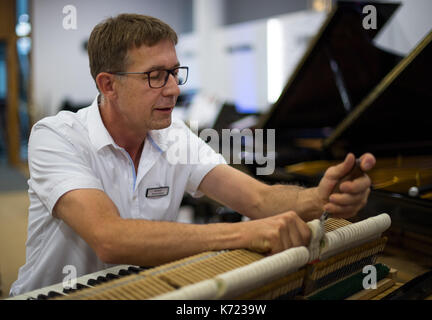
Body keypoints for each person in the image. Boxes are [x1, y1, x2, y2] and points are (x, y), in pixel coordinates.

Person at [10, 14, 375, 296]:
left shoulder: (173, 136)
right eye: (155, 76)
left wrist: (319, 198)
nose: (172, 90)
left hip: (141, 291)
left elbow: (258, 198)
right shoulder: (55, 137)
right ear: (108, 85)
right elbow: (110, 237)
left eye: (173, 73)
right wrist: (242, 234)